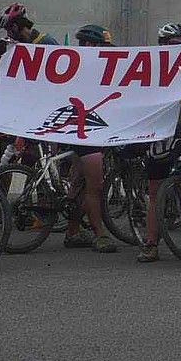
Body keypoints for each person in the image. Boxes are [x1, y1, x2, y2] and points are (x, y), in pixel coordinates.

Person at [137, 23, 181, 263]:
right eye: (174, 43)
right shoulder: (151, 66)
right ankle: (151, 243)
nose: (180, 47)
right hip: (159, 133)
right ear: (163, 45)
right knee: (155, 190)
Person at [62, 24, 118, 253]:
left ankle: (73, 231)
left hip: (91, 131)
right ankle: (100, 234)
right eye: (102, 47)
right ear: (88, 45)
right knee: (95, 185)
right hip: (85, 133)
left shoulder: (95, 66)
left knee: (79, 182)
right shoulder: (80, 68)